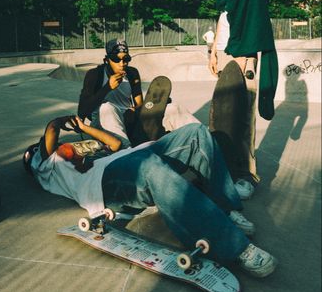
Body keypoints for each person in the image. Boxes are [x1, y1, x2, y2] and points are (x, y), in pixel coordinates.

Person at [23, 116, 277, 278]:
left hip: (130, 158)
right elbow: (52, 128)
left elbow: (114, 145)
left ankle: (227, 208)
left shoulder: (87, 158)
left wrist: (85, 128)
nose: (70, 147)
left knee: (196, 132)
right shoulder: (46, 166)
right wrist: (65, 121)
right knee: (151, 168)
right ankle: (234, 246)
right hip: (104, 185)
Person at [206, 0, 278, 201]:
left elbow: (252, 12)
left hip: (243, 49)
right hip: (225, 49)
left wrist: (245, 53)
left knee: (243, 116)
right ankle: (223, 169)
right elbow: (224, 14)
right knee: (221, 113)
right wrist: (213, 49)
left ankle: (247, 175)